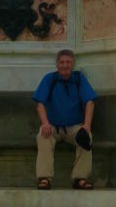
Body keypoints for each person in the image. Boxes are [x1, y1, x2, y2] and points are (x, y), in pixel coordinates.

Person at [33, 48, 97, 190]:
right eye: (62, 62)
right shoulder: (50, 79)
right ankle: (44, 178)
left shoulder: (79, 78)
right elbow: (40, 104)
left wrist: (86, 126)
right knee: (43, 137)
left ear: (72, 64)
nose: (65, 65)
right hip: (53, 126)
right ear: (57, 64)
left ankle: (80, 178)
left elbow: (90, 102)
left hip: (73, 127)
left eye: (68, 62)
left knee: (87, 138)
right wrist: (45, 123)